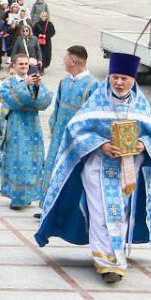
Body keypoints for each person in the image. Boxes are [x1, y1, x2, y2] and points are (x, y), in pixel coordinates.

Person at [36, 53, 151, 283]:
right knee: (101, 213)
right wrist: (101, 144)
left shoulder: (141, 106)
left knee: (122, 213)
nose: (118, 82)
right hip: (97, 167)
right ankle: (108, 264)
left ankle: (116, 255)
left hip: (128, 170)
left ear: (133, 80)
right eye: (115, 77)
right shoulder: (97, 101)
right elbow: (75, 129)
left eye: (124, 78)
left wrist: (141, 144)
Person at [41, 46, 98, 212]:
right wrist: (53, 129)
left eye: (65, 58)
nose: (63, 62)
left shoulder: (92, 85)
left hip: (76, 141)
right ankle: (48, 207)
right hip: (59, 137)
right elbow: (57, 108)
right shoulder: (64, 82)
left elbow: (93, 117)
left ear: (73, 61)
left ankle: (65, 210)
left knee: (70, 174)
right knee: (52, 169)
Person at [0, 54, 53, 210]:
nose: (24, 66)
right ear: (13, 66)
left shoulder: (34, 81)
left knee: (33, 162)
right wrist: (24, 85)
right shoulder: (7, 83)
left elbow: (44, 103)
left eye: (26, 64)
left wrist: (36, 87)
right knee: (18, 161)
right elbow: (10, 101)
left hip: (32, 126)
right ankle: (16, 198)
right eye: (21, 64)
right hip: (16, 127)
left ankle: (29, 196)